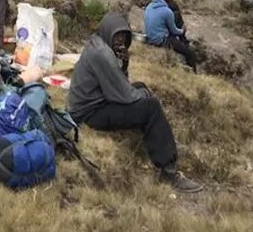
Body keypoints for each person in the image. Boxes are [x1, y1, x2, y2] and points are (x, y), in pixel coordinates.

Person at [67, 12, 203, 193]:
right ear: (109, 32)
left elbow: (118, 83)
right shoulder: (102, 55)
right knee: (151, 106)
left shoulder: (97, 42)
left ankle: (153, 137)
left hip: (91, 104)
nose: (120, 40)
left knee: (141, 87)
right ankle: (168, 171)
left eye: (124, 36)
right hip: (89, 113)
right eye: (117, 35)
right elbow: (124, 94)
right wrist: (142, 96)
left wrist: (124, 65)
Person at [144, 0, 198, 73]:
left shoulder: (149, 6)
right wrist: (183, 31)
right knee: (190, 53)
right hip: (162, 40)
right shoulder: (167, 11)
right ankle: (193, 74)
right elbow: (175, 31)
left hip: (149, 38)